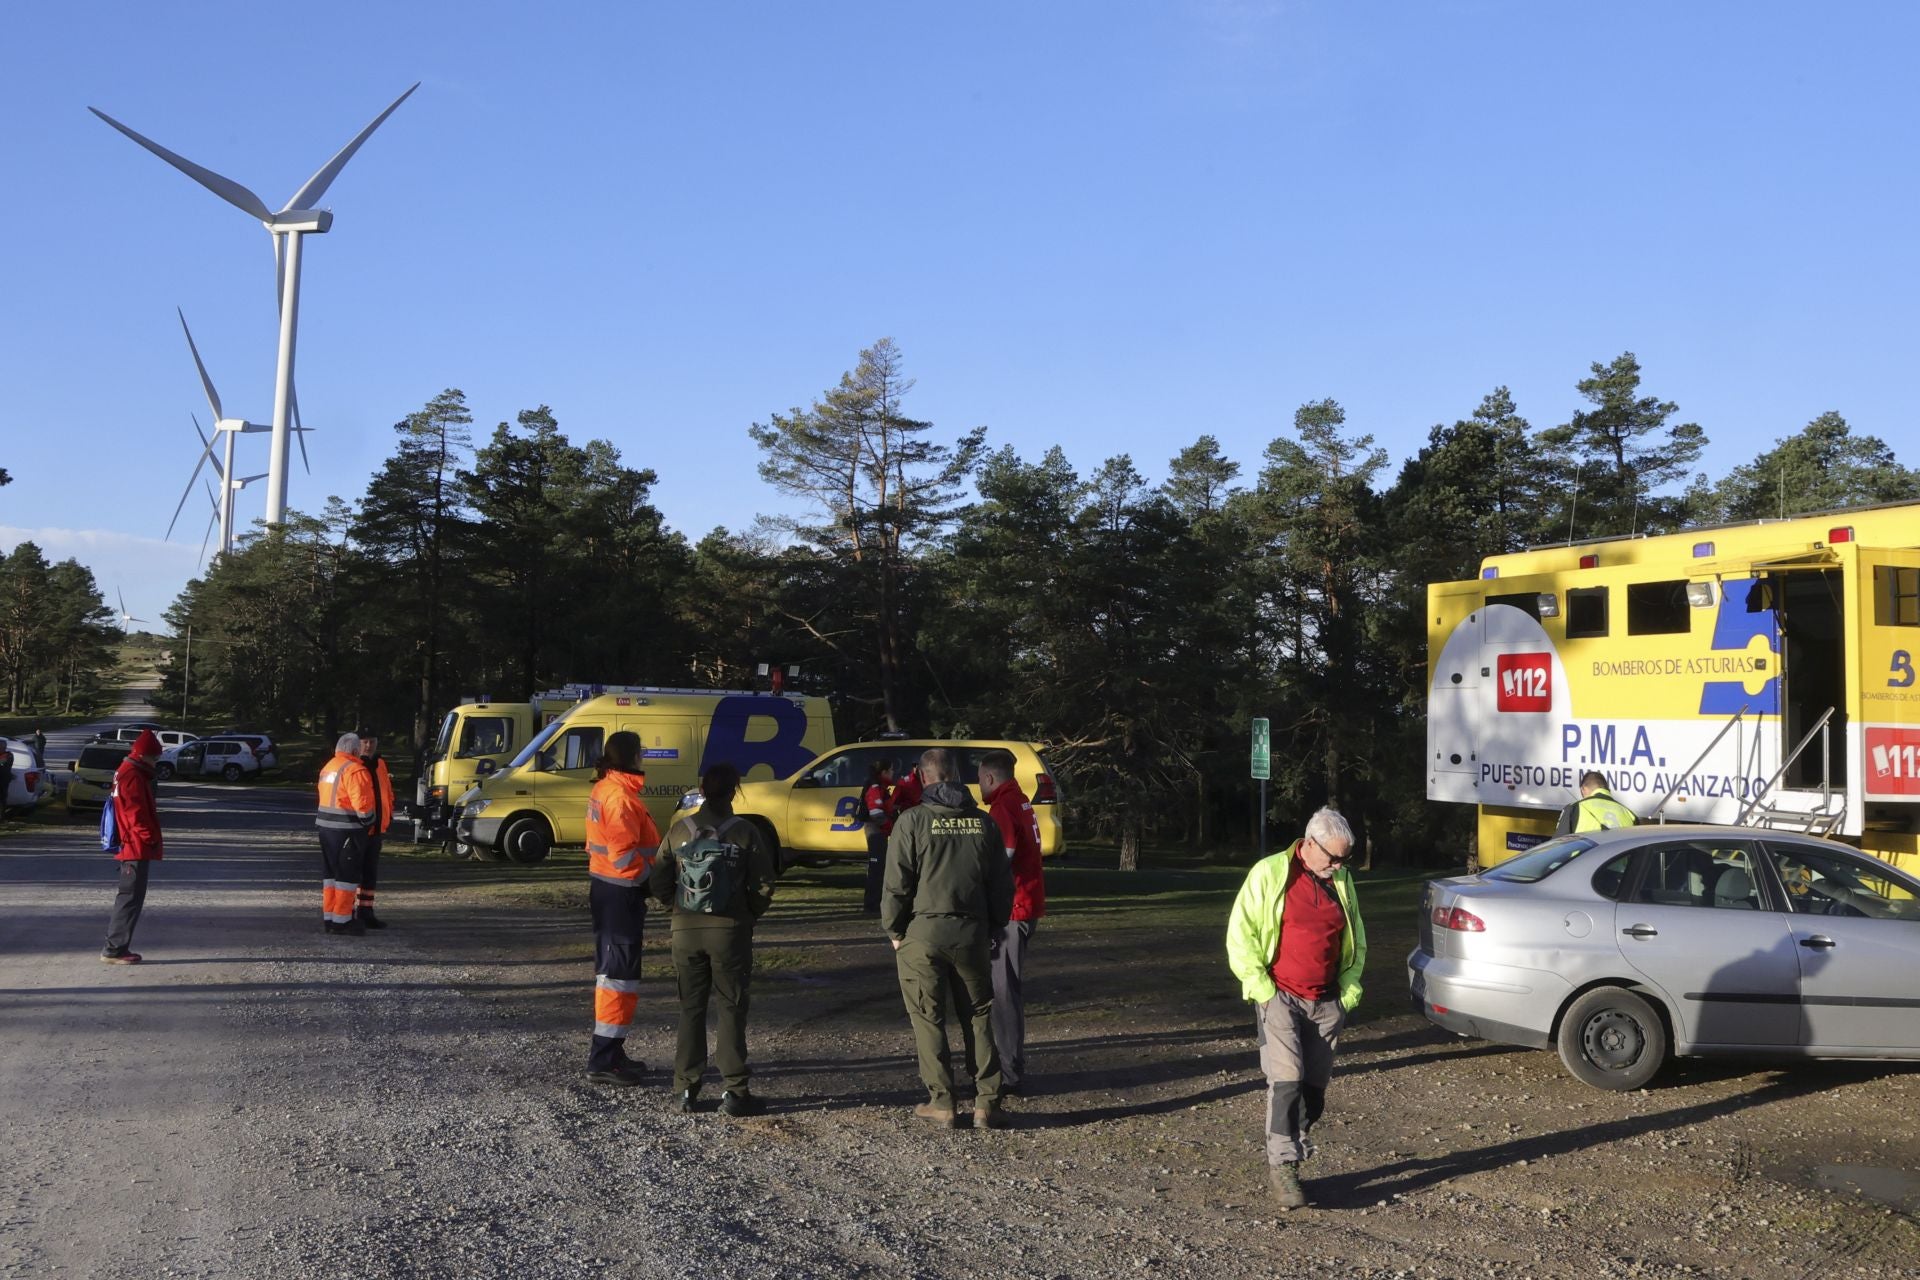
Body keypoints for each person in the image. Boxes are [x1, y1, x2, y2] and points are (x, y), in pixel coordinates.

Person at [1225, 807, 1368, 1210]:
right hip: (1280, 996)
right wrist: (1262, 990)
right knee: (1286, 1081)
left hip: (1327, 1000)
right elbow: (1241, 934)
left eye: (1344, 859)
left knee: (1313, 1091)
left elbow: (1355, 934)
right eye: (1333, 857)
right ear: (1309, 844)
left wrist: (1348, 991)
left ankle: (1293, 1141)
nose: (1338, 866)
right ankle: (1284, 1166)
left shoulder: (1341, 878)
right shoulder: (1270, 873)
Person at [883, 747, 1014, 1130]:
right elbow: (1001, 886)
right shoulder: (984, 823)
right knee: (978, 1015)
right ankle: (987, 1101)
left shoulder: (911, 821)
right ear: (957, 776)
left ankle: (942, 1101)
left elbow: (896, 885)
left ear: (924, 778)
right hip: (971, 932)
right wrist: (993, 927)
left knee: (928, 1018)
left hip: (923, 934)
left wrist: (894, 930)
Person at [650, 762, 777, 1116]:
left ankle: (685, 1089)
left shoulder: (679, 830)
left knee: (691, 1008)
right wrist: (749, 915)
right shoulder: (746, 832)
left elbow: (658, 877)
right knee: (731, 1007)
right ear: (735, 790)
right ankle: (735, 1090)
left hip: (685, 931)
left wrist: (672, 909)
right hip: (730, 931)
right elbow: (765, 883)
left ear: (702, 790)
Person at [585, 731, 659, 1086]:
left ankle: (612, 1051)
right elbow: (625, 856)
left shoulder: (608, 789)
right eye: (641, 751)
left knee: (616, 973)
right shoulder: (620, 797)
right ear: (632, 756)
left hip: (610, 889)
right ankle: (603, 1059)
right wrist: (656, 881)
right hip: (621, 892)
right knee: (618, 977)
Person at [977, 748, 1045, 1095]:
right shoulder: (1020, 800)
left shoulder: (1002, 806)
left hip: (1012, 909)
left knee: (1003, 992)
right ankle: (1008, 1065)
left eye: (979, 779)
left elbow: (1001, 858)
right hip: (1027, 904)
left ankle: (1009, 1071)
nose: (979, 787)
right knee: (1007, 989)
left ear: (989, 777)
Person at [101, 729, 165, 963]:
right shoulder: (132, 775)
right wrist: (149, 838)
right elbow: (134, 813)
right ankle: (114, 949)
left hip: (133, 843)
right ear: (144, 755)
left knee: (130, 896)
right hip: (135, 845)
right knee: (129, 897)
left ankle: (116, 947)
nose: (155, 762)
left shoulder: (127, 771)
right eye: (154, 758)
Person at [315, 732, 377, 937]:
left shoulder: (329, 767)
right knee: (347, 878)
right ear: (354, 750)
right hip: (348, 830)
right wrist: (369, 824)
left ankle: (330, 918)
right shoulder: (355, 770)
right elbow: (363, 806)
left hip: (326, 830)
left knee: (331, 877)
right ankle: (342, 921)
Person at [355, 728, 396, 928]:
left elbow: (387, 792)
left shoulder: (380, 764)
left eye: (372, 741)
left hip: (377, 830)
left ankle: (366, 912)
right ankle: (349, 912)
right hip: (358, 830)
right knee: (353, 873)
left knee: (370, 874)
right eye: (365, 742)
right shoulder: (353, 765)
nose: (368, 745)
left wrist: (389, 814)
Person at [861, 760, 896, 915]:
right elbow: (876, 813)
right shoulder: (875, 788)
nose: (893, 774)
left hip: (878, 830)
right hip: (876, 831)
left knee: (879, 868)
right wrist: (890, 825)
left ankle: (875, 904)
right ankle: (872, 906)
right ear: (883, 772)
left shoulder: (879, 787)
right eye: (891, 770)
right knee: (876, 869)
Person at [1555, 770, 1637, 835]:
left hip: (1587, 856)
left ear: (1583, 789)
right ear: (1608, 790)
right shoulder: (1630, 814)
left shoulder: (1574, 808)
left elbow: (1557, 846)